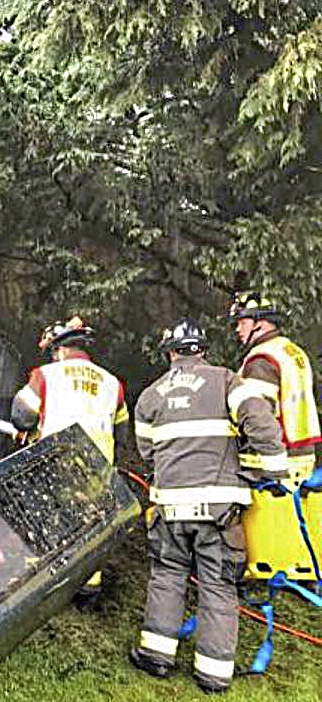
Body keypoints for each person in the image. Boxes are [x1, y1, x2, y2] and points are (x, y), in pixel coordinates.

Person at [129, 318, 286, 693]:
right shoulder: (227, 381)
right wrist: (274, 469)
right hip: (219, 509)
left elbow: (147, 452)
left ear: (169, 353)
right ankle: (214, 673)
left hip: (169, 507)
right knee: (218, 584)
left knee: (167, 575)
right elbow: (260, 421)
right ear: (203, 350)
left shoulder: (150, 396)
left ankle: (156, 655)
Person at [10, 316, 128, 604]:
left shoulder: (46, 375)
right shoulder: (112, 383)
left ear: (60, 349)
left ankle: (37, 586)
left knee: (41, 518)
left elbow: (21, 416)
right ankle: (87, 590)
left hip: (54, 463)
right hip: (98, 469)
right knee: (89, 525)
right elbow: (122, 431)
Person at [228, 291, 321, 479]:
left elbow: (257, 415)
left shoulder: (262, 359)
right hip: (304, 455)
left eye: (242, 322)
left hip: (272, 462)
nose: (238, 329)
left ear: (259, 324)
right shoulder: (292, 351)